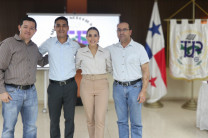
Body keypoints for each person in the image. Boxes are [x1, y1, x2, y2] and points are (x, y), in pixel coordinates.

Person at [0, 16, 48, 138]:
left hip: (31, 92)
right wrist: (2, 91)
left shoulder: (34, 47)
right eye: (25, 27)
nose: (28, 30)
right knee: (9, 128)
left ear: (35, 31)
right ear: (19, 27)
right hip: (12, 92)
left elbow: (42, 62)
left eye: (32, 28)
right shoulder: (8, 44)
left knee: (31, 127)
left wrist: (56, 51)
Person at [39, 16, 80, 138]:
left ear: (68, 28)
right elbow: (36, 54)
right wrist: (46, 60)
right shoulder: (49, 43)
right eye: (58, 25)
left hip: (70, 86)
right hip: (54, 87)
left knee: (69, 118)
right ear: (54, 27)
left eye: (63, 25)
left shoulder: (75, 45)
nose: (61, 28)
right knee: (54, 119)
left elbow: (80, 61)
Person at [107, 22, 150, 138]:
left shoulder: (139, 48)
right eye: (118, 30)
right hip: (118, 88)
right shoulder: (111, 49)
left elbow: (146, 71)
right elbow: (95, 48)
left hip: (135, 88)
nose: (121, 32)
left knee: (136, 122)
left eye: (124, 29)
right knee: (121, 121)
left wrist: (143, 91)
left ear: (130, 32)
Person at [75, 27, 112, 138]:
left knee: (100, 119)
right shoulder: (80, 52)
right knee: (90, 119)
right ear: (86, 37)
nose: (92, 38)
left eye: (95, 35)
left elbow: (109, 68)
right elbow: (75, 67)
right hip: (86, 84)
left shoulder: (105, 52)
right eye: (90, 35)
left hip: (102, 85)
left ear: (99, 37)